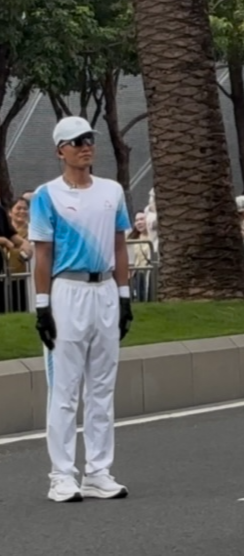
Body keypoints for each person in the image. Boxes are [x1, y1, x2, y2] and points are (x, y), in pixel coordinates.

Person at [28, 116, 133, 503]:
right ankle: (61, 475)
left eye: (89, 139)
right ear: (60, 150)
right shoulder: (47, 195)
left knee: (102, 388)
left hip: (104, 287)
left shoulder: (112, 191)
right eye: (76, 142)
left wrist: (124, 296)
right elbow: (42, 255)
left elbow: (120, 245)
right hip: (67, 291)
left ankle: (98, 472)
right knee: (65, 388)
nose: (85, 146)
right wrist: (42, 307)